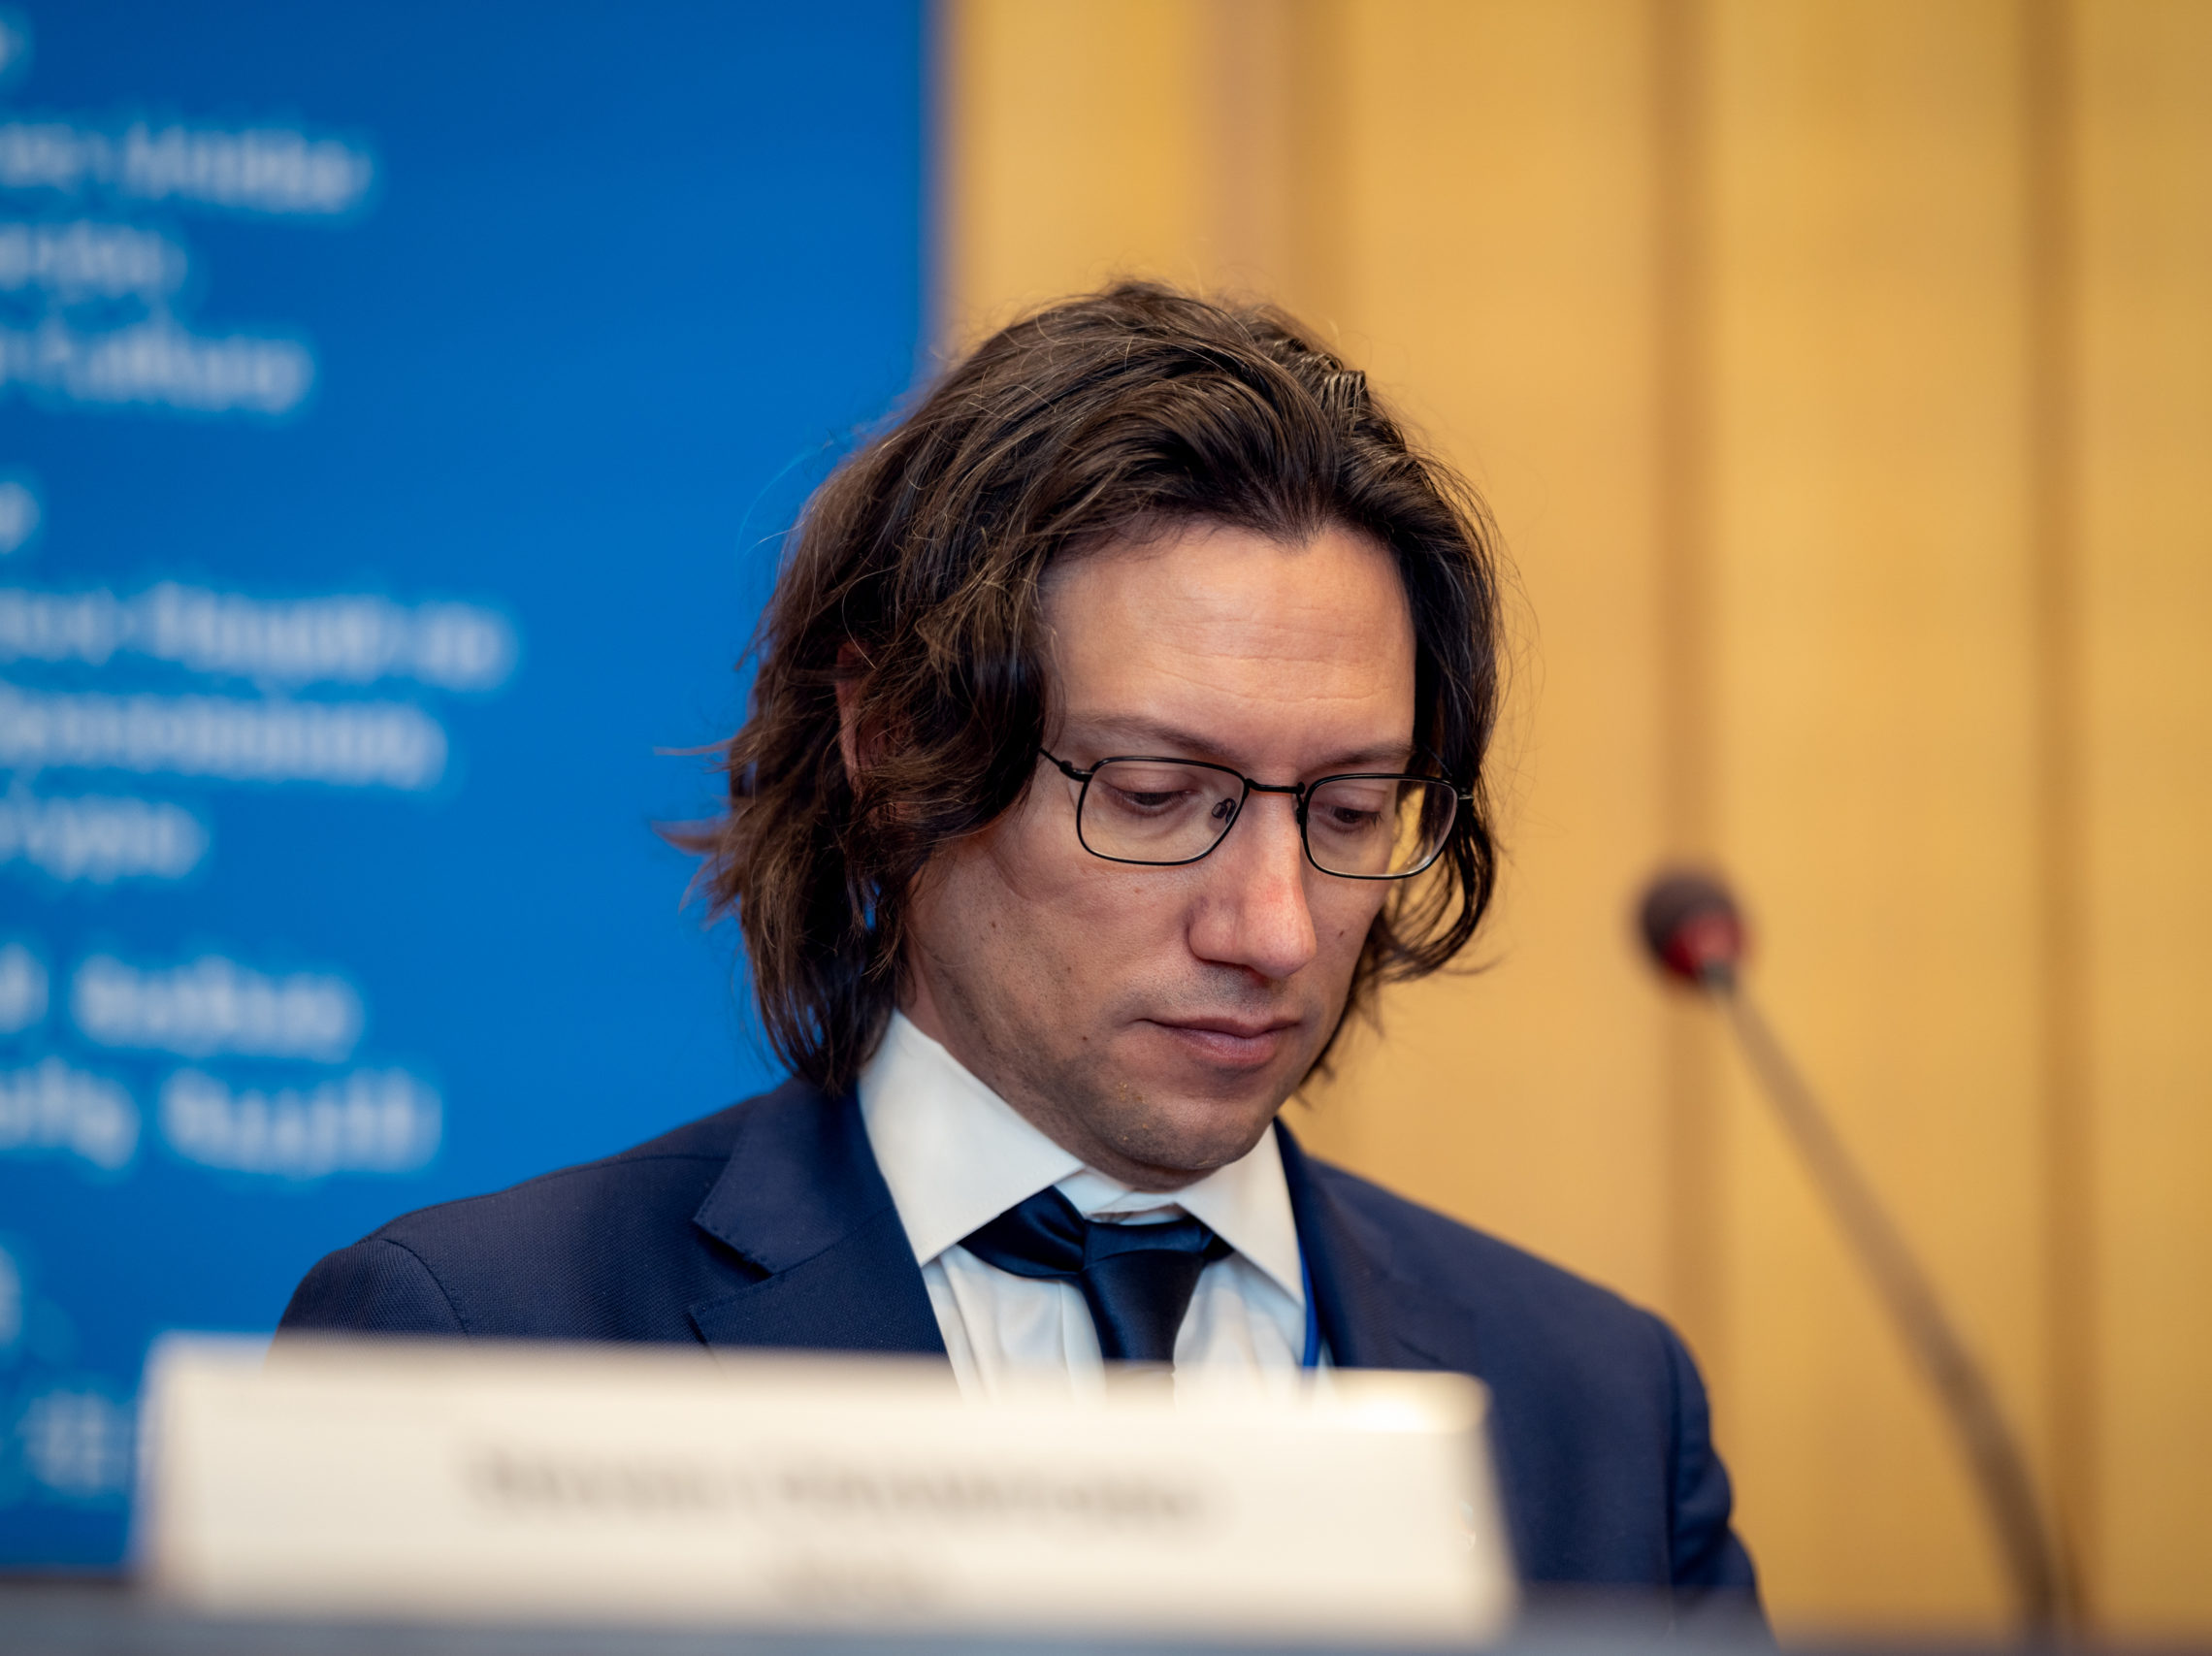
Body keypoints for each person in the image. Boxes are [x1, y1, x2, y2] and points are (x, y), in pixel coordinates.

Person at [281, 283, 1761, 1613]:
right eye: (1154, 796)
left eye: (1351, 809)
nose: (1273, 927)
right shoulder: (476, 1345)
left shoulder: (1603, 1417)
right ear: (893, 745)